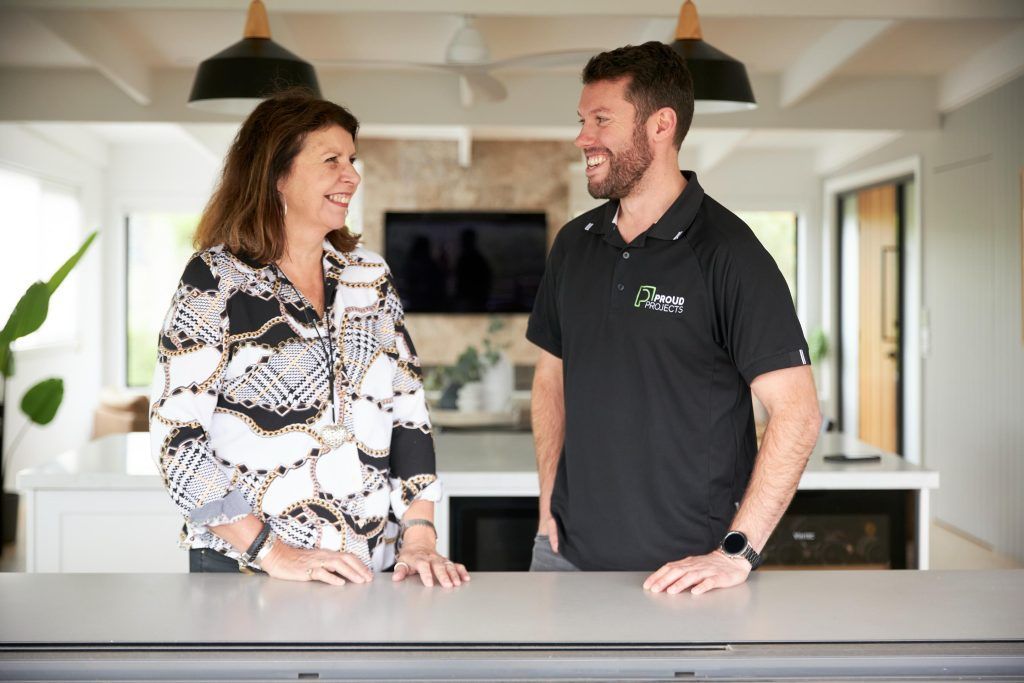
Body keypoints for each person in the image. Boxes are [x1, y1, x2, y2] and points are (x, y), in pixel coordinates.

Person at [527, 42, 821, 594]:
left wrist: (737, 553)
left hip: (688, 574)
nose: (582, 138)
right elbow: (550, 378)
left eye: (601, 120)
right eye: (581, 120)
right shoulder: (574, 244)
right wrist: (548, 506)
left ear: (661, 125)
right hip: (565, 555)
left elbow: (797, 414)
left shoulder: (729, 253)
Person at [149, 90, 469, 588]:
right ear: (277, 175)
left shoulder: (369, 275)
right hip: (247, 570)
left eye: (353, 160)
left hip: (368, 565)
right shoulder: (215, 279)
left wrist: (420, 534)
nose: (353, 176)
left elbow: (409, 412)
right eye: (332, 161)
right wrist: (272, 552)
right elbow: (177, 439)